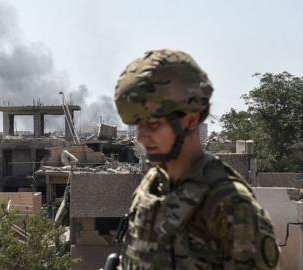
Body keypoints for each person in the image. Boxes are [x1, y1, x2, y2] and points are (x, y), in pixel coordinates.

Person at [112, 49, 280, 269]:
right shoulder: (152, 185)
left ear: (190, 122)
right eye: (138, 125)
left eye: (153, 125)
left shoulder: (230, 204)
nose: (141, 136)